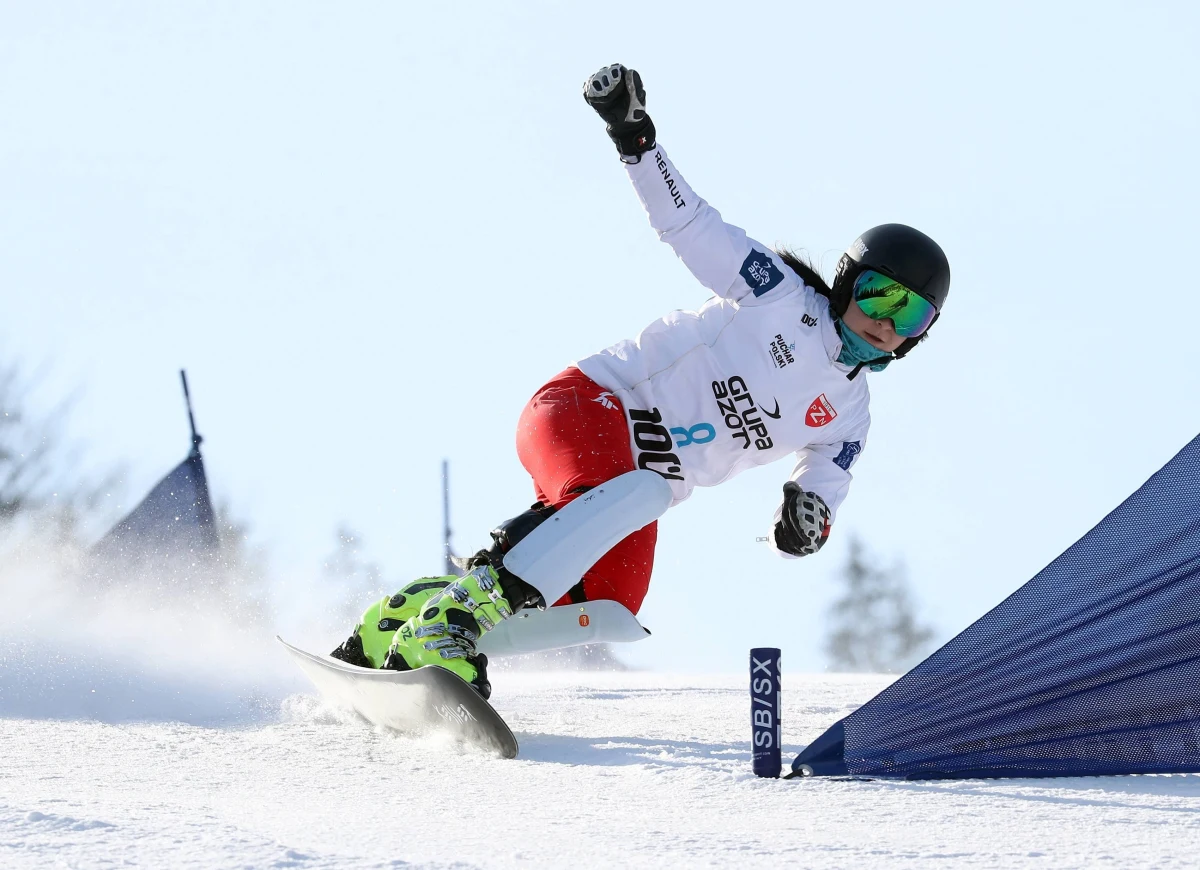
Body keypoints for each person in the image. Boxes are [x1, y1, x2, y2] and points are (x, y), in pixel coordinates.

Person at [330, 63, 951, 698]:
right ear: (848, 282)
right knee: (635, 495)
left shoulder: (849, 416)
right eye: (878, 296)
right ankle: (454, 625)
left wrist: (803, 524)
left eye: (910, 314)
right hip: (584, 407)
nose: (885, 321)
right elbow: (689, 225)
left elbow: (819, 496)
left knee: (607, 604)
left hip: (635, 490)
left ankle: (406, 624)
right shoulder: (777, 296)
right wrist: (635, 138)